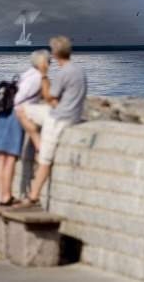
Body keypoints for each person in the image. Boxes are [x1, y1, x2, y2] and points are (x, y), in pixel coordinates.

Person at [14, 35, 87, 209]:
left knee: (45, 158)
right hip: (73, 114)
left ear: (54, 53)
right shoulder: (79, 69)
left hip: (59, 118)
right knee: (27, 110)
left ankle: (33, 197)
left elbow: (48, 96)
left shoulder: (64, 72)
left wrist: (44, 75)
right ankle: (36, 139)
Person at [0, 49, 49, 206]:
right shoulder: (39, 77)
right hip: (16, 115)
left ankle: (3, 196)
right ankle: (6, 197)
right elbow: (48, 96)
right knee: (11, 158)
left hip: (3, 113)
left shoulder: (25, 74)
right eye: (48, 61)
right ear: (43, 63)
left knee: (1, 158)